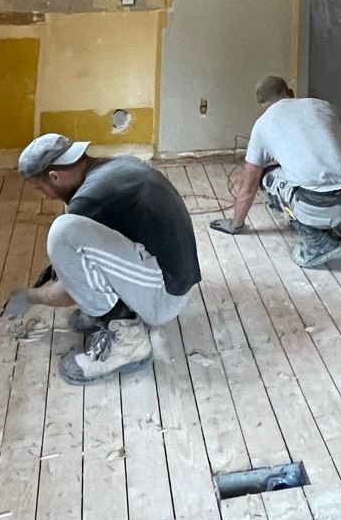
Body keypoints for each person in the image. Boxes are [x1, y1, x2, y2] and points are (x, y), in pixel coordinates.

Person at [11, 132, 201, 383]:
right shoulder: (117, 166)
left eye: (41, 188)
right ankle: (110, 310)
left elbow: (68, 292)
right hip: (173, 279)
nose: (46, 195)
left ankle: (130, 345)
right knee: (71, 228)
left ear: (54, 176)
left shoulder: (88, 200)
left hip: (164, 300)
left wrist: (29, 297)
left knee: (63, 232)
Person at [212, 76, 341, 281]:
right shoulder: (324, 106)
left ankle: (317, 242)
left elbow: (248, 188)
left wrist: (235, 225)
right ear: (290, 93)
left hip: (317, 205)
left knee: (267, 177)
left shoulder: (262, 124)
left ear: (263, 105)